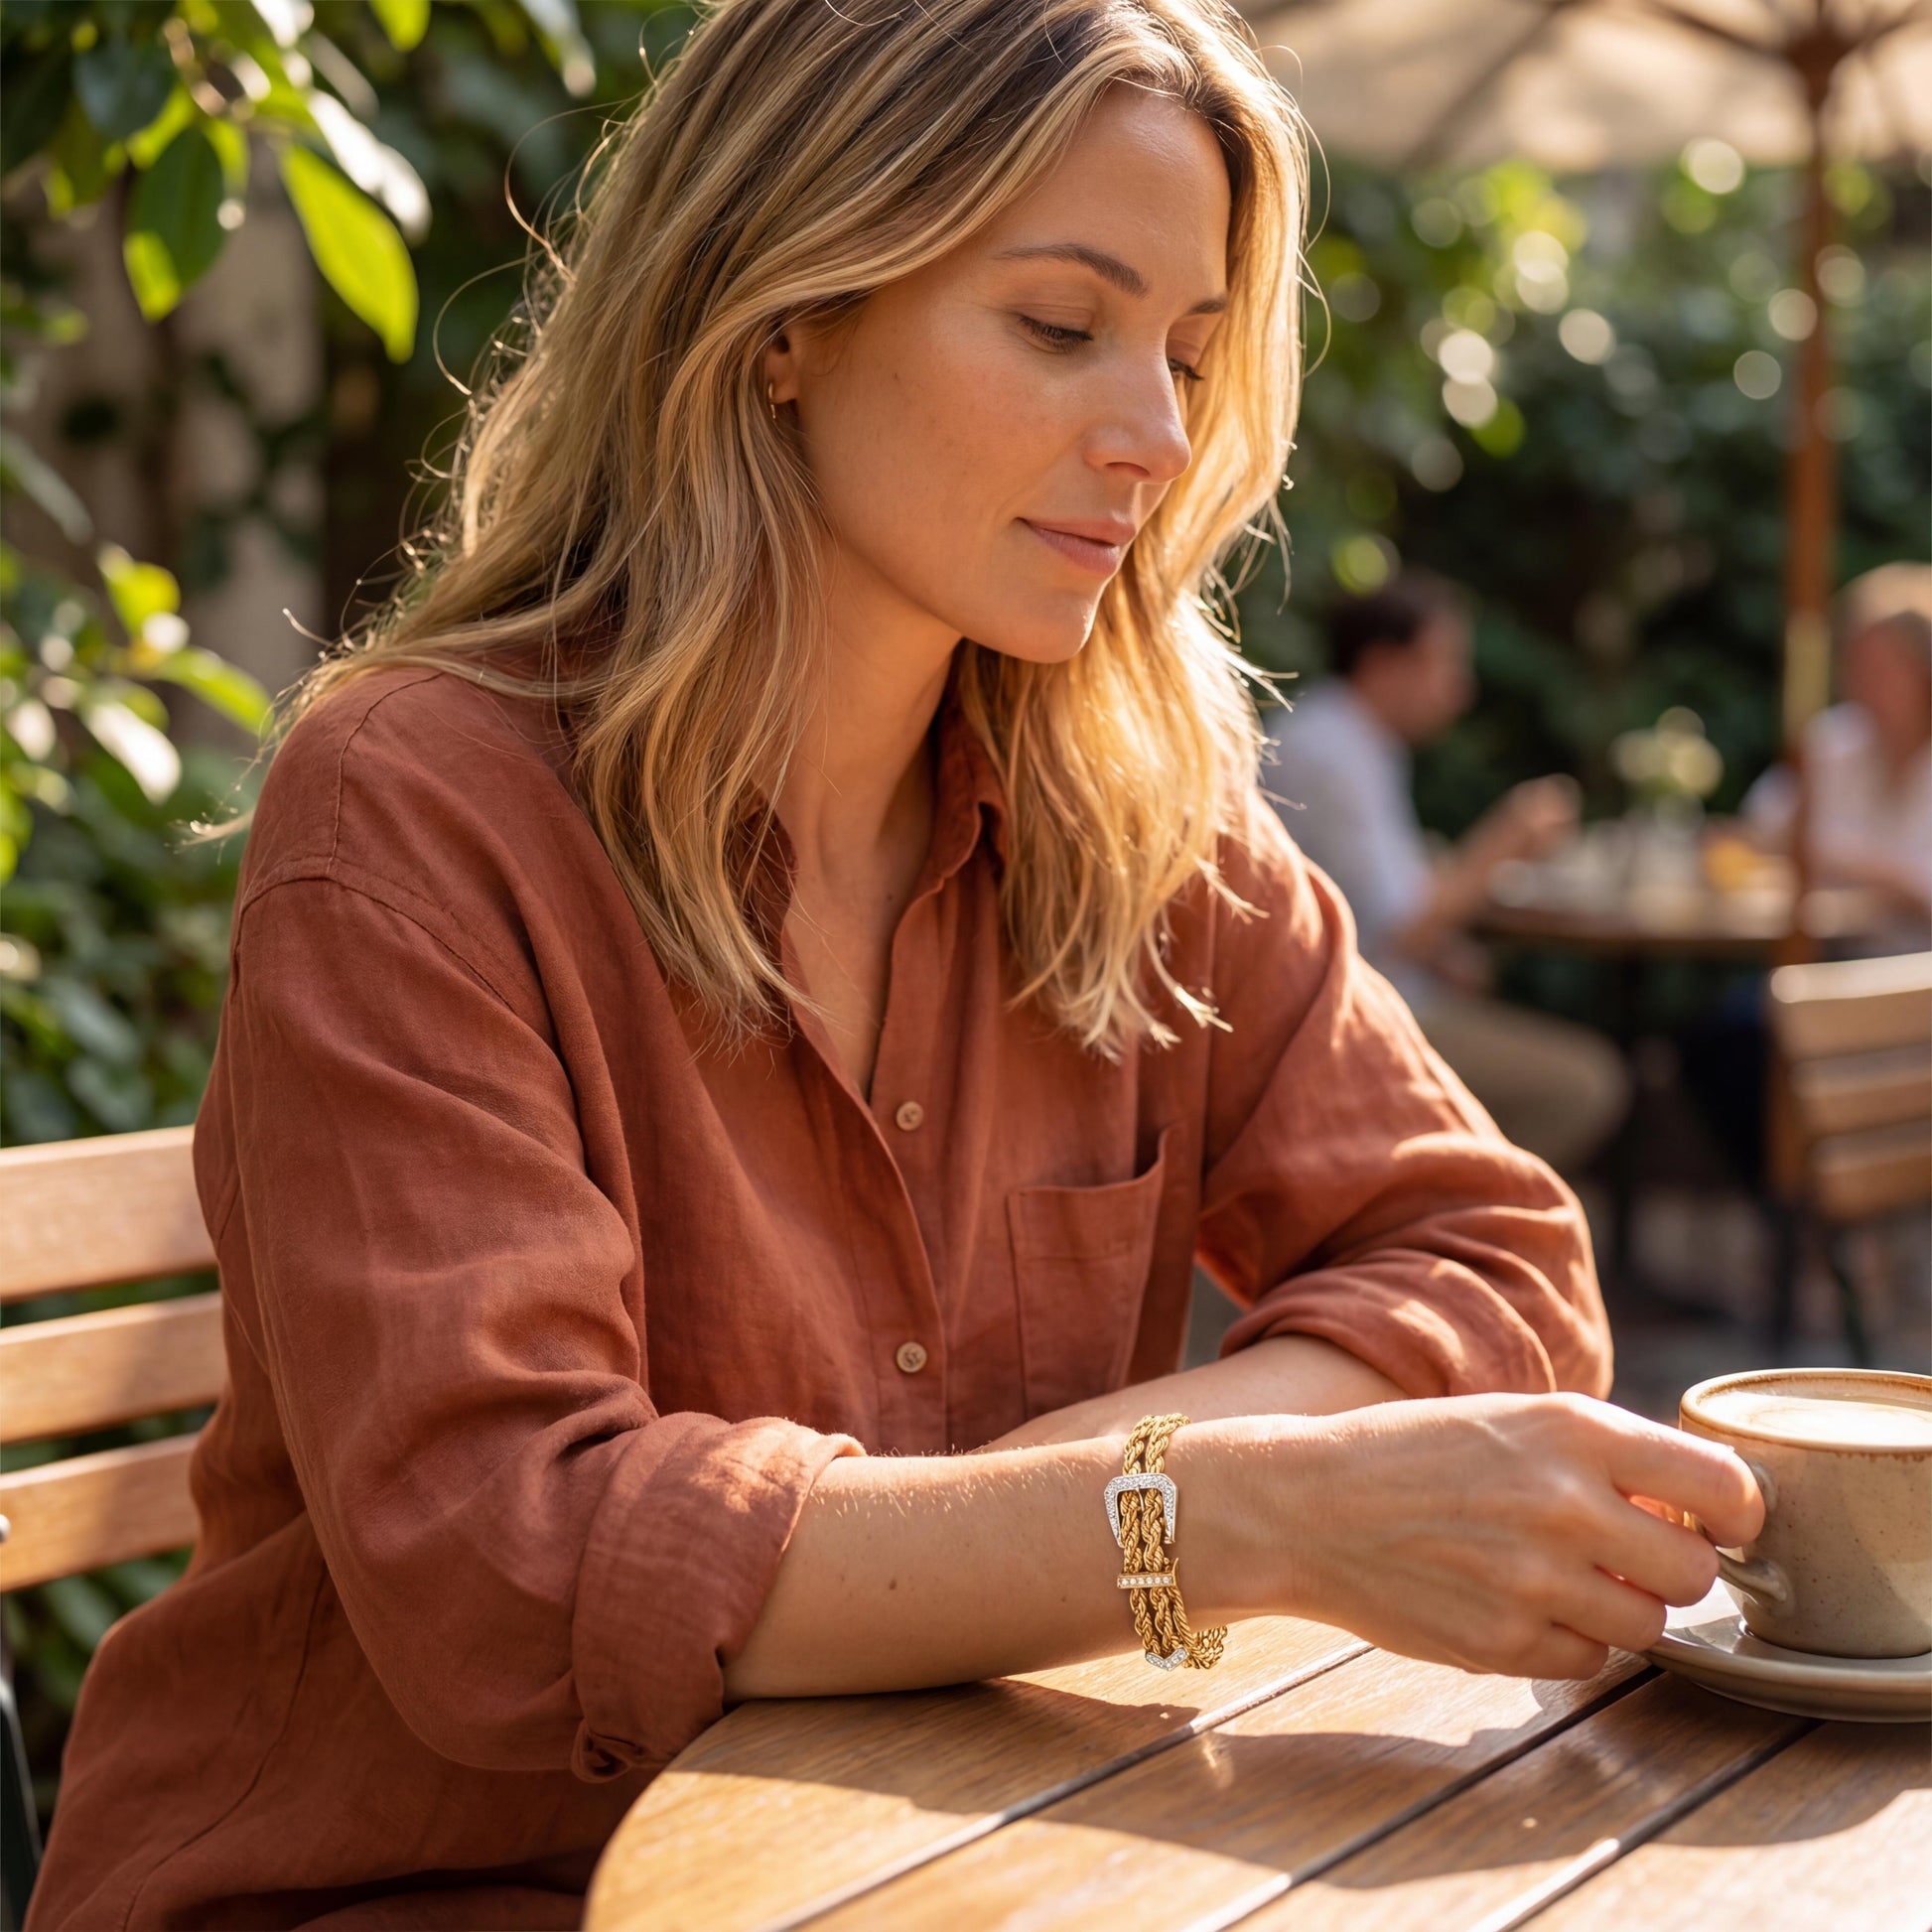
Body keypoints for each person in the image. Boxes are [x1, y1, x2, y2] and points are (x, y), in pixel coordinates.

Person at [27, 6, 1757, 1928]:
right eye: (1056, 324)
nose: (1158, 435)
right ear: (783, 315)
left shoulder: (1132, 816)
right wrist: (1215, 1516)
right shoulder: (418, 812)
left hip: (944, 1860)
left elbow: (1497, 1271)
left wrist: (1062, 1498)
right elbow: (511, 1567)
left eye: (1187, 354)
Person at [1262, 574, 1630, 1174]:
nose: (1459, 690)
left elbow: (1363, 912)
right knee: (1586, 1085)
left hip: (1372, 1001)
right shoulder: (1332, 753)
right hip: (1347, 1025)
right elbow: (1402, 925)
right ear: (1383, 664)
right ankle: (1448, 1223)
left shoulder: (1348, 739)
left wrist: (1443, 955)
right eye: (1443, 663)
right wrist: (1503, 842)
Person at [1743, 562, 1932, 949]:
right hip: (1835, 962)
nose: (1863, 682)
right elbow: (1756, 833)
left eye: (1883, 667)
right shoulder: (1833, 741)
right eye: (1855, 663)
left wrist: (1841, 864)